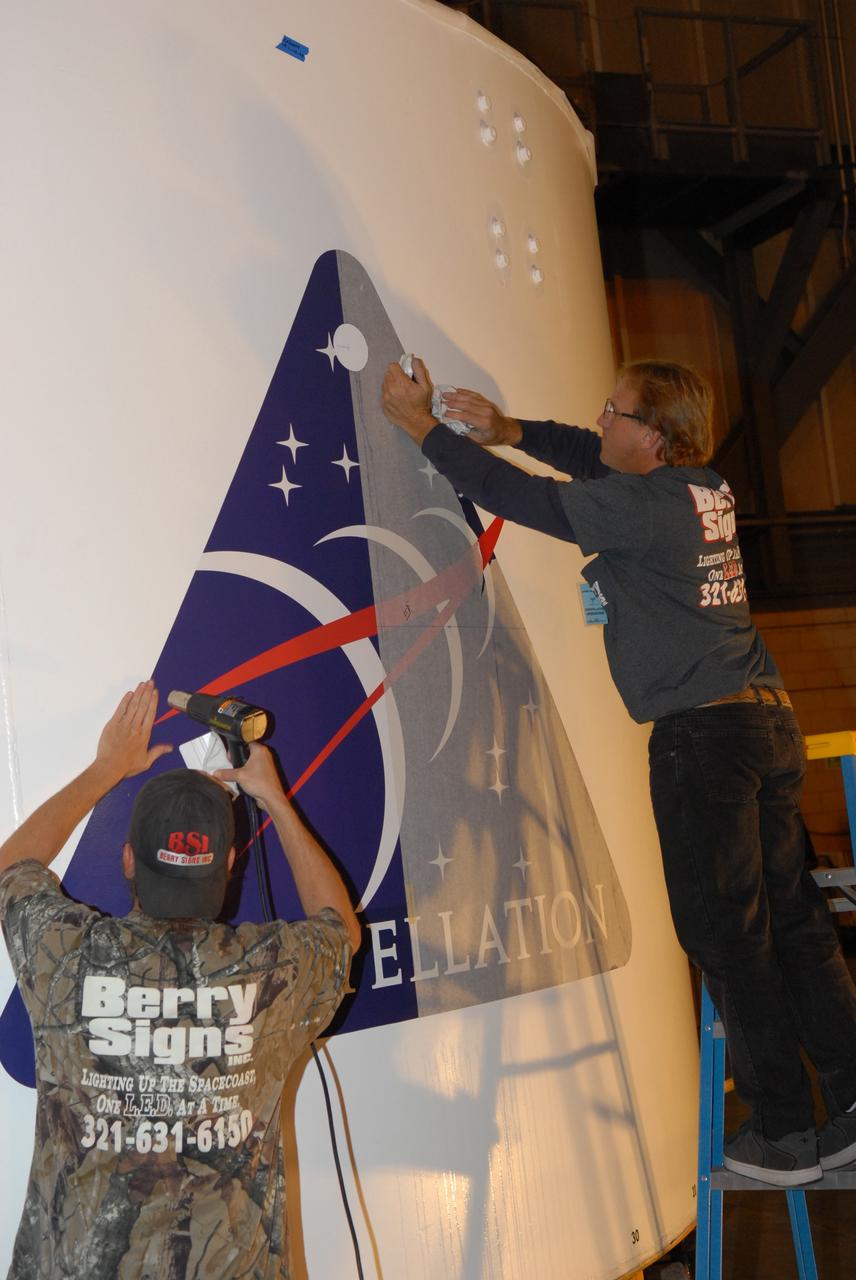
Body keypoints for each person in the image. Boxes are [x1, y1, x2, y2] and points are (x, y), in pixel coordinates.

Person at [382, 356, 856, 1187]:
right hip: (766, 723)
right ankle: (850, 1108)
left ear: (655, 435)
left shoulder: (639, 509)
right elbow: (587, 458)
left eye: (614, 410)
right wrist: (515, 429)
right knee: (794, 921)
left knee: (726, 934)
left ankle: (783, 1132)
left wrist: (424, 429)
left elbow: (527, 500)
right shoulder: (702, 490)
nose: (599, 419)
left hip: (704, 737)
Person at [0, 680, 360, 1279]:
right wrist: (272, 797)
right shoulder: (268, 973)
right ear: (227, 863)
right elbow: (341, 933)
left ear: (126, 860)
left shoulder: (69, 956)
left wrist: (105, 770)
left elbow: (12, 869)